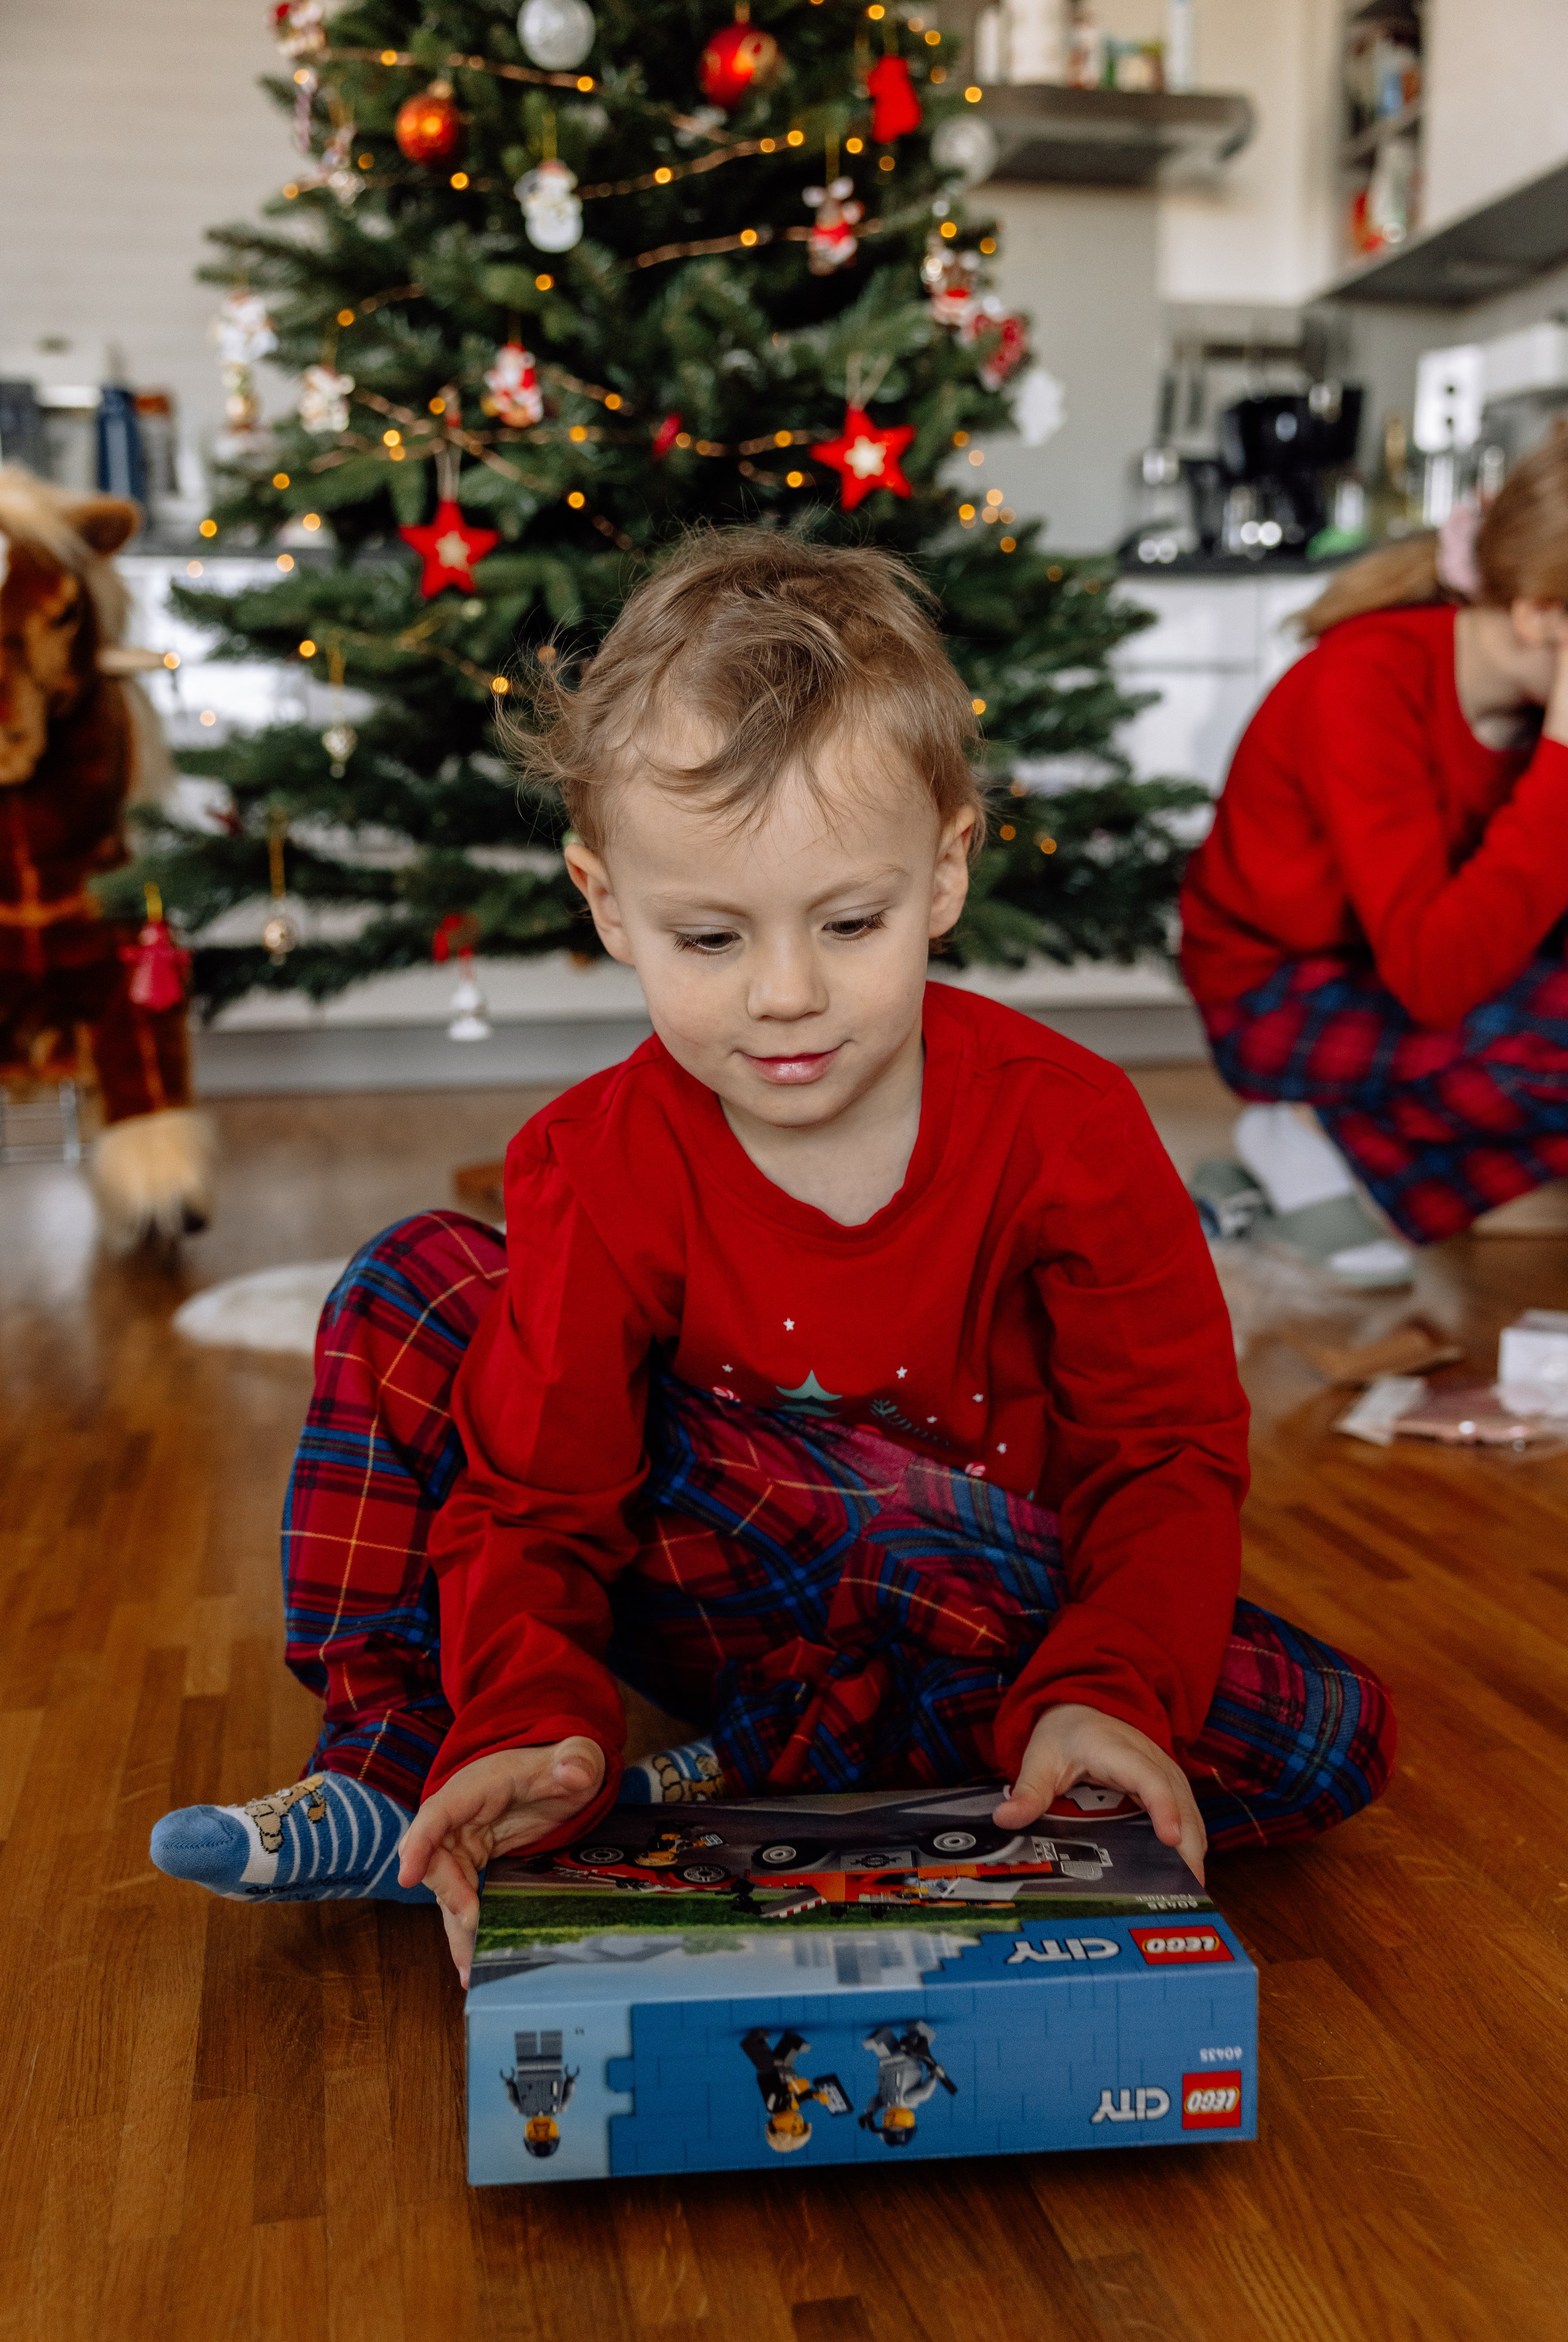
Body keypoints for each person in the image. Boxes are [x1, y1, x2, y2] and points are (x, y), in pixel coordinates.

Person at [149, 531, 1395, 1979]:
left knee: (1326, 1729)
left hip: (979, 1606)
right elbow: (538, 1502)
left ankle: (753, 1770)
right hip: (727, 1564)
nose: (787, 998)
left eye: (849, 922)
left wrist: (1106, 1692)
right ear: (608, 903)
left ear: (944, 871)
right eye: (709, 936)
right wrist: (529, 1709)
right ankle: (410, 1763)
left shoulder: (1070, 1127)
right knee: (412, 1280)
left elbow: (1163, 1459)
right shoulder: (593, 1156)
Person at [1180, 432, 1568, 1278]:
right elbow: (1436, 977)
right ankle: (1317, 1142)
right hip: (1275, 996)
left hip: (1408, 977)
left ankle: (1329, 1156)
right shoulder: (1365, 685)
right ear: (1542, 612)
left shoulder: (1529, 710)